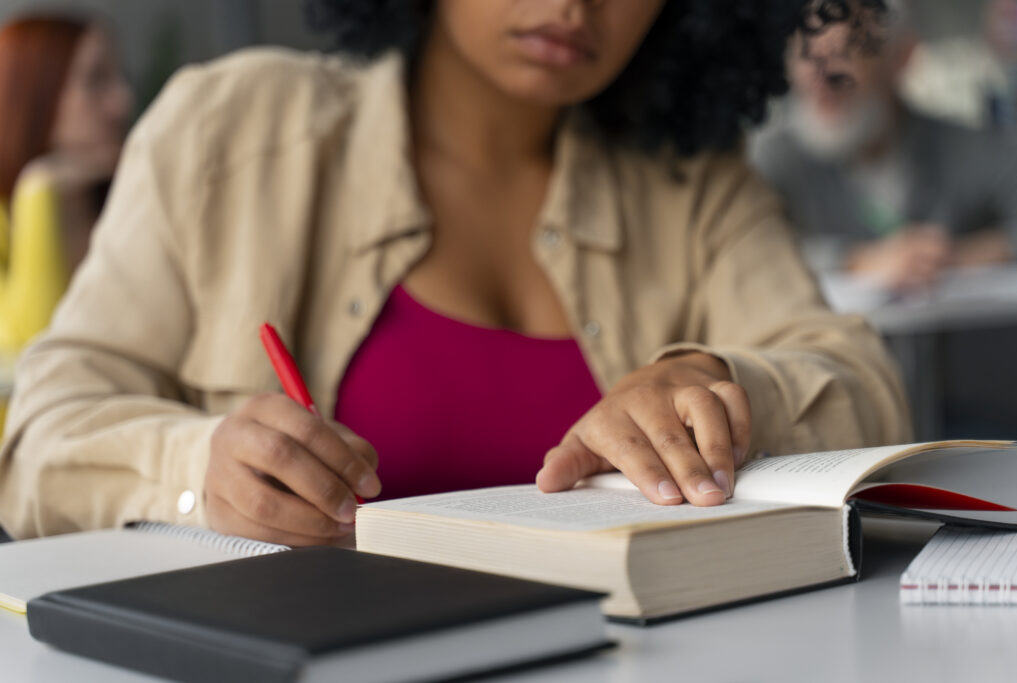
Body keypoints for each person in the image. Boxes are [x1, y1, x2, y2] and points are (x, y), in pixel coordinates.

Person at [0, 0, 909, 544]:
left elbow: (866, 387)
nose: (575, 1)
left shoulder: (695, 188)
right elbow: (41, 431)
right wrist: (202, 470)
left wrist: (717, 381)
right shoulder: (230, 131)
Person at [750, 0, 1017, 292]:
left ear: (901, 57)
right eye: (804, 53)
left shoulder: (970, 147)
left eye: (843, 53)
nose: (818, 78)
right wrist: (854, 262)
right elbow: (747, 252)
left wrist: (952, 258)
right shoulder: (773, 160)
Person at [0, 15, 133, 353]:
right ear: (33, 92)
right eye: (95, 80)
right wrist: (38, 192)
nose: (121, 101)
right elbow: (28, 356)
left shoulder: (126, 207)